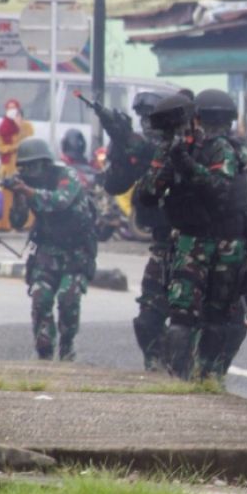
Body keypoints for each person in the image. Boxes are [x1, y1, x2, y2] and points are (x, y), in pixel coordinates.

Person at [138, 90, 247, 381]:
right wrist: (170, 158)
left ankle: (208, 376)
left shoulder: (226, 150)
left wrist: (186, 164)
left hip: (225, 243)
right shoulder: (179, 147)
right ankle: (182, 380)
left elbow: (221, 189)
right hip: (192, 241)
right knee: (182, 315)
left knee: (219, 316)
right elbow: (148, 194)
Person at [102, 90, 177, 370]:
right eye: (142, 118)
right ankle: (157, 367)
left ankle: (198, 368)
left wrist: (136, 146)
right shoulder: (141, 148)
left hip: (195, 244)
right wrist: (121, 147)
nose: (146, 124)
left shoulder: (184, 146)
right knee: (148, 317)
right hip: (162, 243)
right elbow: (115, 185)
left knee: (191, 318)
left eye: (152, 118)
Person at [6, 138, 98, 361]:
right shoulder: (27, 184)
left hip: (76, 251)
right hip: (47, 250)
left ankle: (67, 345)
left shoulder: (67, 175)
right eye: (26, 167)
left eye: (35, 166)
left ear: (46, 163)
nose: (31, 172)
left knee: (68, 300)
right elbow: (17, 221)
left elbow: (60, 202)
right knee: (40, 298)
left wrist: (27, 191)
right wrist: (18, 196)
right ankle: (44, 350)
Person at [0, 98, 34, 230]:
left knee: (29, 192)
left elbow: (30, 142)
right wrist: (13, 147)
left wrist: (19, 127)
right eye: (9, 109)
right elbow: (0, 147)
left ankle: (30, 223)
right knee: (6, 193)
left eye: (15, 110)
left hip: (25, 166)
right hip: (8, 166)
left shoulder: (27, 127)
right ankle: (4, 223)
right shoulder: (3, 128)